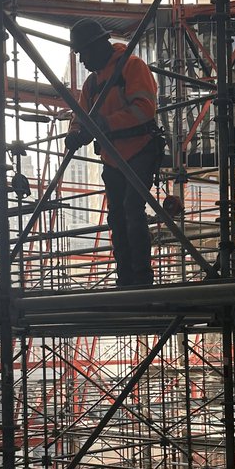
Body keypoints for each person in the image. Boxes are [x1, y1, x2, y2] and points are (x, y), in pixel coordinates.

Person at [65, 18, 161, 287]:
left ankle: (141, 279)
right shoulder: (92, 84)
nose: (82, 60)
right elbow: (81, 116)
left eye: (83, 53)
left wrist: (104, 124)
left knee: (132, 209)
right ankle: (126, 278)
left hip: (139, 149)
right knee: (117, 217)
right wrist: (75, 132)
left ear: (97, 46)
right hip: (112, 157)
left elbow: (144, 109)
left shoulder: (131, 66)